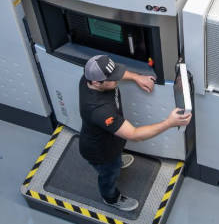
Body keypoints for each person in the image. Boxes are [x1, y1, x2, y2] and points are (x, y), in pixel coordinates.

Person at [79, 55, 192, 212]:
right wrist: (169, 123)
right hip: (100, 152)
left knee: (116, 159)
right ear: (97, 83)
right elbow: (134, 134)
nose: (117, 79)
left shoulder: (89, 77)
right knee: (110, 173)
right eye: (113, 78)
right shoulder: (99, 110)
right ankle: (111, 198)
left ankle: (117, 160)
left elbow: (114, 74)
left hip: (111, 141)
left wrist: (136, 77)